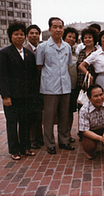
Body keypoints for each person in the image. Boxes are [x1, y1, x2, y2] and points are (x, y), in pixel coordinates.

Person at [0, 22, 38, 160]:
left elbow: (33, 76)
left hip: (27, 95)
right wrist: (6, 96)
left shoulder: (29, 54)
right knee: (12, 122)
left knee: (25, 121)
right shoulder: (4, 53)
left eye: (21, 34)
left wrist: (33, 94)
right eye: (16, 34)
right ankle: (14, 150)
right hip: (12, 96)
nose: (19, 37)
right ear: (11, 36)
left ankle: (26, 147)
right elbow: (2, 76)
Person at [36, 17, 75, 154]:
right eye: (55, 27)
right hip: (49, 87)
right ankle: (50, 143)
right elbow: (39, 66)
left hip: (65, 86)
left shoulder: (67, 47)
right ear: (50, 29)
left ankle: (64, 141)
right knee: (49, 117)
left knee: (64, 115)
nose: (58, 29)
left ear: (63, 29)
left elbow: (68, 64)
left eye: (60, 27)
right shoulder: (43, 47)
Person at [78, 29, 104, 106]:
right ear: (100, 39)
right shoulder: (96, 54)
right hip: (101, 80)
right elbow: (81, 66)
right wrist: (89, 76)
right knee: (101, 101)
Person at [25, 24, 44, 149]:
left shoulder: (42, 49)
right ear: (27, 36)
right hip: (29, 88)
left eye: (36, 33)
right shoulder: (25, 50)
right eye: (31, 33)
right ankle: (31, 139)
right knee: (30, 114)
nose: (34, 35)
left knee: (39, 114)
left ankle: (39, 138)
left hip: (42, 86)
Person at [63, 27, 79, 143]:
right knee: (61, 112)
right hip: (61, 87)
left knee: (69, 112)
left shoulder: (75, 52)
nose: (72, 39)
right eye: (69, 36)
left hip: (73, 87)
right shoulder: (59, 49)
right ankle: (61, 135)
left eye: (74, 37)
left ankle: (67, 134)